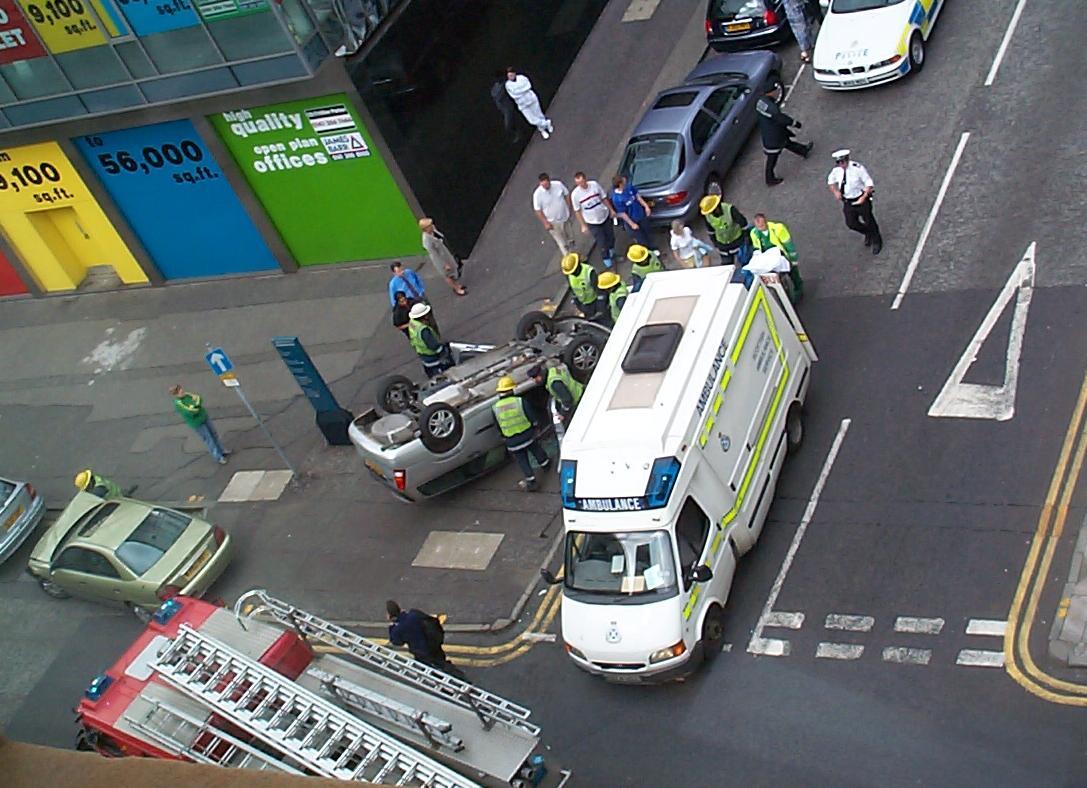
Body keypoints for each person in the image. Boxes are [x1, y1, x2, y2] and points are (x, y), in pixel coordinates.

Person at [492, 375, 550, 490]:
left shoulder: (495, 408)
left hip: (512, 441)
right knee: (536, 450)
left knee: (522, 461)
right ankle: (546, 464)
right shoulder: (519, 401)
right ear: (511, 389)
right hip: (527, 435)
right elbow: (531, 415)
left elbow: (498, 425)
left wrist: (504, 437)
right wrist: (535, 425)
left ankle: (531, 481)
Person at [386, 600, 464, 678]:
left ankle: (451, 682)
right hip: (433, 643)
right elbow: (429, 619)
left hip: (421, 653)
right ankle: (459, 676)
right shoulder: (414, 613)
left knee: (432, 670)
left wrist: (391, 626)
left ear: (391, 615)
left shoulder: (397, 629)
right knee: (442, 661)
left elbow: (397, 642)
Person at [827, 149, 882, 255]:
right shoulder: (836, 171)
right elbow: (830, 182)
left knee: (869, 220)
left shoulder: (858, 169)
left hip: (861, 199)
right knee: (851, 223)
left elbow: (869, 183)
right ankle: (868, 232)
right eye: (838, 163)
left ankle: (877, 240)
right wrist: (835, 192)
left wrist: (864, 196)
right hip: (848, 201)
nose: (841, 165)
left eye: (843, 162)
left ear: (847, 160)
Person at [755, 83, 813, 186]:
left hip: (770, 132)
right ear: (771, 92)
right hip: (773, 136)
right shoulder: (772, 108)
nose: (777, 93)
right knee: (772, 157)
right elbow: (781, 118)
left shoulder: (761, 102)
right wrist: (795, 123)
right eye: (775, 91)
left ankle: (803, 150)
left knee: (787, 142)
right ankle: (770, 179)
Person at [170, 384, 230, 465]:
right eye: (179, 391)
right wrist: (196, 406)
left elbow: (199, 398)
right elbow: (190, 412)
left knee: (214, 434)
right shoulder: (179, 404)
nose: (182, 391)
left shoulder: (188, 395)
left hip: (204, 417)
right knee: (208, 439)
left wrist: (195, 406)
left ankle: (222, 450)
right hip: (197, 423)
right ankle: (218, 457)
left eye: (181, 389)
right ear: (176, 394)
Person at [749, 213, 804, 299]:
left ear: (766, 222)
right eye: (758, 227)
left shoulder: (778, 228)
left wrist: (793, 259)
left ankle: (799, 288)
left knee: (793, 271)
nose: (760, 228)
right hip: (768, 257)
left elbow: (788, 244)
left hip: (781, 255)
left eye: (762, 226)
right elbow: (757, 247)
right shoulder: (754, 233)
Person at [529, 361, 583, 443]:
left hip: (579, 400)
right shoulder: (552, 371)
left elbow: (568, 400)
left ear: (540, 375)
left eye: (535, 378)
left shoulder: (554, 383)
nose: (535, 381)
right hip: (580, 390)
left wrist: (563, 414)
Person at [571, 171, 616, 268]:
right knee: (601, 241)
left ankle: (612, 252)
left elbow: (603, 198)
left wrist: (611, 210)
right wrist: (583, 225)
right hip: (592, 221)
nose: (581, 185)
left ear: (585, 179)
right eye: (578, 183)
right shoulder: (575, 195)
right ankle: (607, 261)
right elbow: (577, 211)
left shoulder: (594, 185)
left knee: (610, 236)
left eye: (582, 182)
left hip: (604, 215)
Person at [419, 218, 467, 296]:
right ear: (425, 228)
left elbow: (440, 236)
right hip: (440, 260)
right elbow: (434, 255)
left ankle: (457, 285)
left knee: (452, 269)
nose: (432, 226)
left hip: (444, 253)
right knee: (447, 275)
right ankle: (456, 289)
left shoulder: (433, 230)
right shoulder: (426, 240)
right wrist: (444, 264)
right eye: (429, 225)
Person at [533, 172, 575, 256]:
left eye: (547, 185)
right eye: (543, 186)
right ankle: (569, 260)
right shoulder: (537, 194)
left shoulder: (558, 184)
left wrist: (569, 208)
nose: (545, 187)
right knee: (562, 243)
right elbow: (538, 210)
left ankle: (575, 254)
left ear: (549, 181)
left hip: (565, 217)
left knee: (571, 238)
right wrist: (546, 223)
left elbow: (567, 195)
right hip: (553, 222)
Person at [700, 194, 749, 265]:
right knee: (727, 266)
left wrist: (746, 238)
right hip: (723, 245)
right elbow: (711, 231)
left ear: (717, 207)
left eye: (712, 211)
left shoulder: (730, 210)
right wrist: (716, 243)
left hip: (737, 241)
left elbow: (743, 223)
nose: (710, 214)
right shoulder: (707, 217)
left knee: (745, 261)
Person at [505, 67, 553, 139]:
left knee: (539, 115)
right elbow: (514, 95)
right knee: (531, 120)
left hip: (532, 100)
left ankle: (542, 130)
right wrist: (522, 91)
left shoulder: (522, 78)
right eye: (509, 76)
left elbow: (528, 86)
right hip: (523, 105)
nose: (510, 77)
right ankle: (546, 123)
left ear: (514, 73)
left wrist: (520, 91)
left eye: (511, 75)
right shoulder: (508, 85)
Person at [407, 302, 452, 378]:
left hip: (422, 352)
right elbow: (433, 345)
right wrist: (443, 350)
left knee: (429, 370)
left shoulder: (412, 323)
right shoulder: (423, 330)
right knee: (440, 374)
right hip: (431, 355)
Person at [611, 175, 653, 249]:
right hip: (632, 219)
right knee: (641, 239)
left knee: (648, 233)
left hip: (641, 215)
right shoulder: (617, 198)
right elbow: (622, 213)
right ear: (620, 184)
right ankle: (647, 253)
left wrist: (646, 207)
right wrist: (632, 224)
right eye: (624, 182)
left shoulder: (629, 187)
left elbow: (637, 197)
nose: (626, 183)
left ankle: (652, 248)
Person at [561, 252, 603, 321]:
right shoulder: (569, 275)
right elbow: (573, 290)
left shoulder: (589, 272)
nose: (571, 273)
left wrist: (600, 307)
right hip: (584, 304)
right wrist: (578, 304)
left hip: (595, 301)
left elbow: (599, 290)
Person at [490, 69, 520, 142]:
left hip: (509, 106)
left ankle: (517, 133)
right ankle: (517, 132)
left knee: (508, 124)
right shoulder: (495, 87)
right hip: (504, 108)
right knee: (509, 123)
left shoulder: (506, 84)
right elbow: (495, 96)